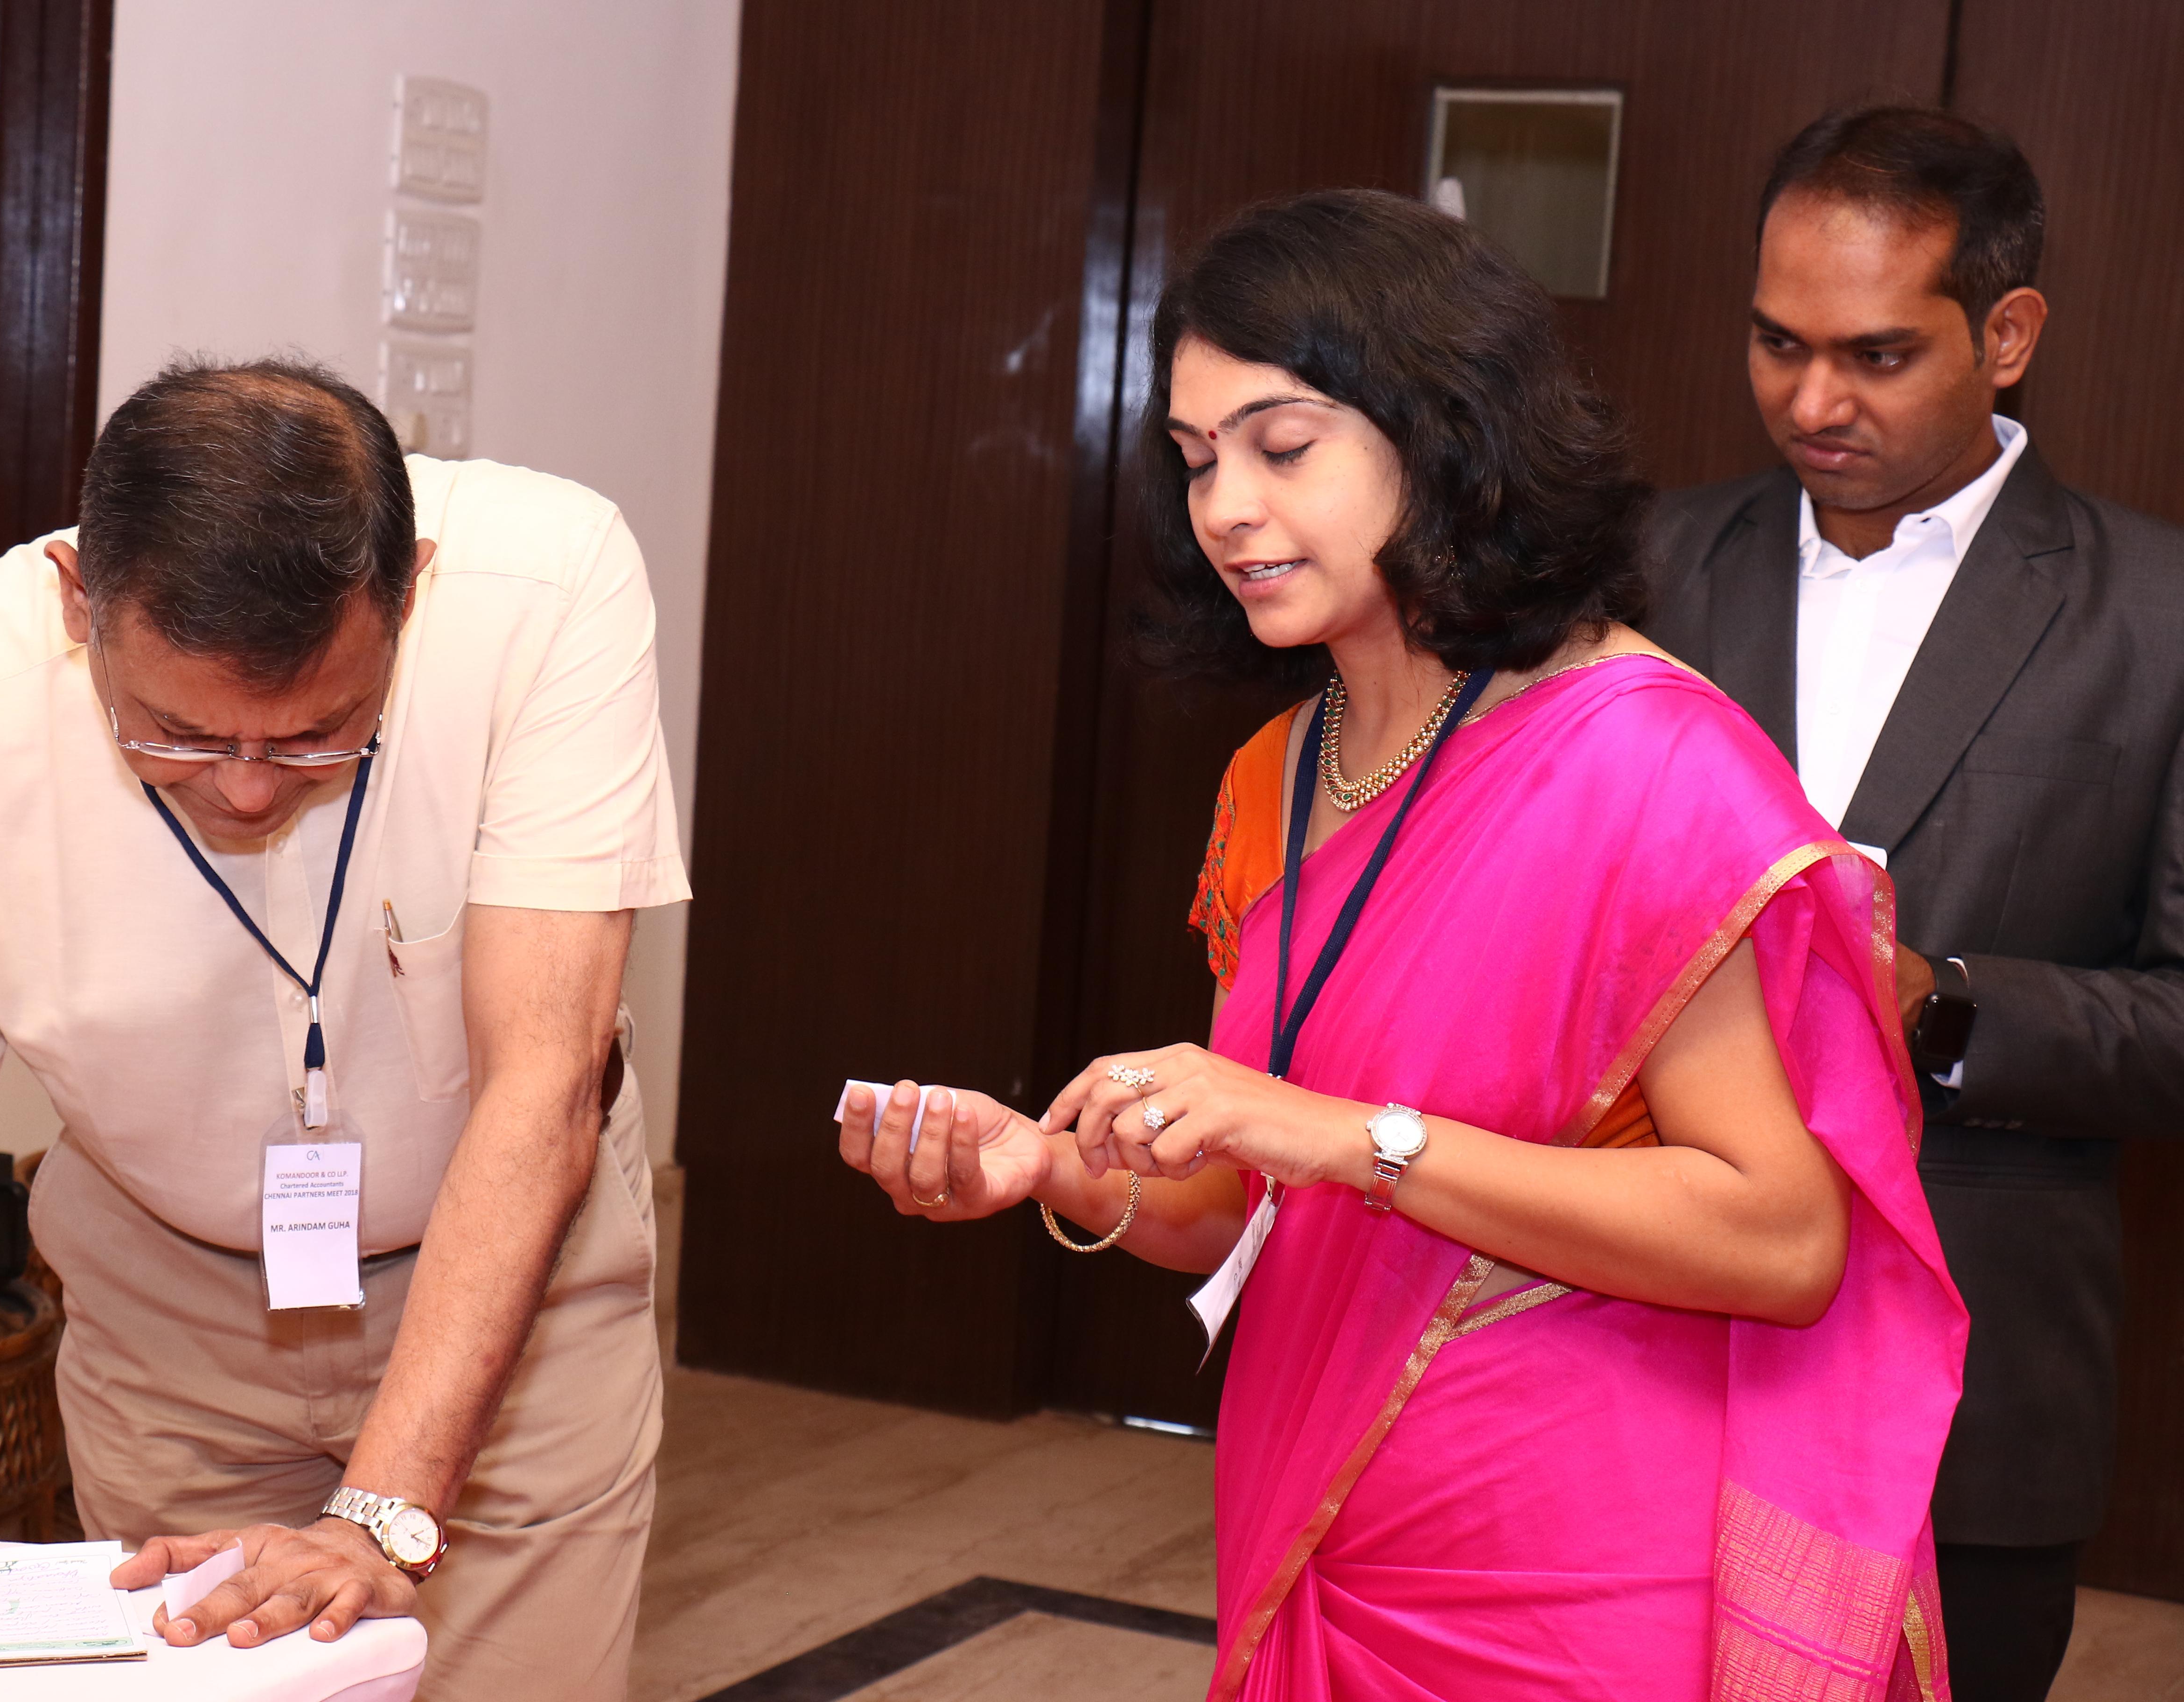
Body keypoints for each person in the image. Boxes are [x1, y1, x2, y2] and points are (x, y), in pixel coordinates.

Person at [839, 190, 1967, 1701]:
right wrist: (1052, 1167)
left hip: (1579, 1570)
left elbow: (1783, 1242)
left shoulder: (1645, 763)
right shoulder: (1274, 775)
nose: (1226, 507)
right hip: (1326, 1524)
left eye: (1283, 446)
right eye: (1197, 459)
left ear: (1442, 435)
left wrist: (1352, 1136)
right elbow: (1245, 1203)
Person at [0, 359, 687, 1700]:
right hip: (166, 1313)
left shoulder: (550, 586)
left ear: (410, 593)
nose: (248, 791)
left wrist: (381, 1515)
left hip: (511, 1297)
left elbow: (545, 1084)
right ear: (81, 602)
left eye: (317, 739)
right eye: (179, 736)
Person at [1643, 106, 2184, 1702]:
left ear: (2007, 335)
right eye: (1778, 343)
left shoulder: (2159, 619)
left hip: (1976, 1389)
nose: (1813, 402)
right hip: (1644, 1343)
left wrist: (1939, 1002)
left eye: (1876, 356)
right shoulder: (1642, 575)